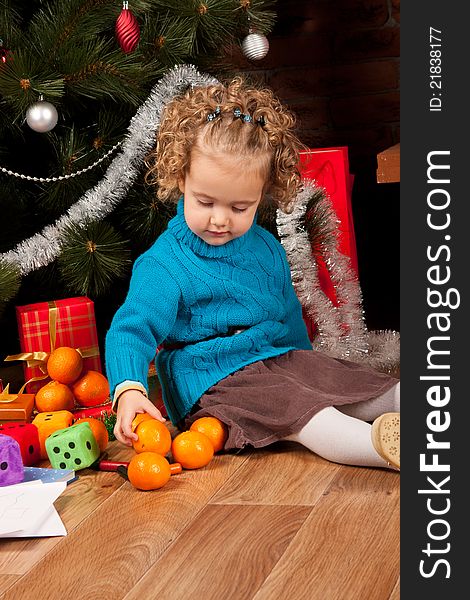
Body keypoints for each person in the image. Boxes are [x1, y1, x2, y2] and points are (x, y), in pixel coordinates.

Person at [105, 77, 400, 470]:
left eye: (240, 208)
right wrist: (128, 389)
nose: (220, 220)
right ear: (181, 180)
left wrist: (311, 368)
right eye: (205, 201)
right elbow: (131, 329)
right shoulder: (163, 265)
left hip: (275, 358)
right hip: (211, 380)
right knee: (305, 411)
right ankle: (386, 449)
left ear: (262, 195)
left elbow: (288, 313)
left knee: (349, 382)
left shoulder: (265, 248)